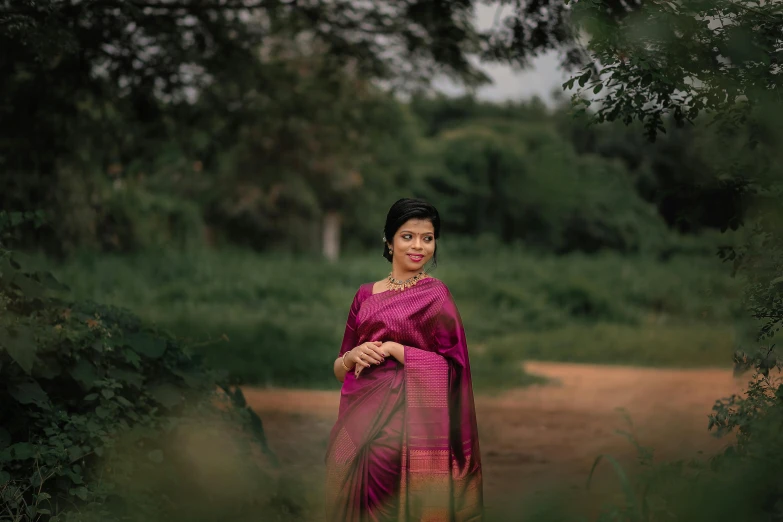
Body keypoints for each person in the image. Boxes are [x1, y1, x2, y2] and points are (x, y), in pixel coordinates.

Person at [324, 198, 484, 521]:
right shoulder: (365, 295)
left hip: (407, 431)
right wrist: (352, 355)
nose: (419, 246)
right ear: (389, 240)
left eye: (428, 238)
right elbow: (340, 369)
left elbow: (456, 370)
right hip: (356, 424)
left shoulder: (437, 296)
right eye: (408, 236)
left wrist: (398, 351)